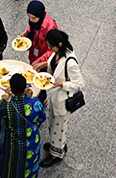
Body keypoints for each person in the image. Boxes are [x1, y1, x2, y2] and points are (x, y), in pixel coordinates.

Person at [38, 29, 84, 168]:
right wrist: (43, 64)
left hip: (63, 102)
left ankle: (56, 154)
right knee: (53, 124)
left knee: (60, 128)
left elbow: (80, 84)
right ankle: (54, 145)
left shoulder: (70, 62)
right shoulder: (58, 53)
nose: (49, 48)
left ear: (59, 44)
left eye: (50, 46)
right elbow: (53, 65)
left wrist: (62, 84)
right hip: (55, 98)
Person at [0, 72, 47, 178]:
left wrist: (5, 96)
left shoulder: (8, 107)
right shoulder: (35, 102)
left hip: (14, 146)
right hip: (32, 142)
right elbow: (42, 118)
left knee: (12, 169)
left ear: (11, 89)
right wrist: (30, 98)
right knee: (30, 167)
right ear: (25, 88)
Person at [23, 0, 59, 69]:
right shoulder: (36, 21)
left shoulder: (50, 27)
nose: (30, 20)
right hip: (34, 54)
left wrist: (39, 61)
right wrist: (27, 31)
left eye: (33, 18)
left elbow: (52, 50)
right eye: (29, 17)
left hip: (43, 61)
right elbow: (32, 28)